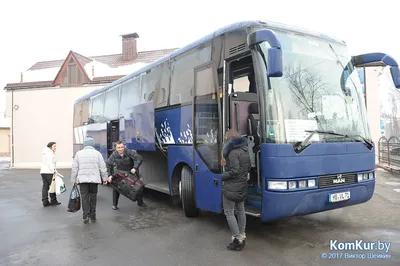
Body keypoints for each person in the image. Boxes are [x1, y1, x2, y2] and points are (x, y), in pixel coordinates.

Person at [221, 129, 251, 251]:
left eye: (225, 138)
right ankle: (242, 236)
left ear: (229, 139)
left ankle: (237, 239)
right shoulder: (245, 150)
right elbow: (247, 167)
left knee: (229, 213)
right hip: (242, 185)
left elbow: (234, 171)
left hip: (231, 187)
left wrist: (220, 176)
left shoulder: (232, 153)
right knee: (241, 211)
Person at [71, 137, 108, 224]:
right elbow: (102, 167)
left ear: (84, 144)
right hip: (94, 180)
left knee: (84, 198)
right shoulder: (97, 154)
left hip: (82, 180)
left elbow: (74, 168)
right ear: (93, 144)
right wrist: (105, 178)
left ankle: (86, 216)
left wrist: (73, 180)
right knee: (93, 197)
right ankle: (93, 215)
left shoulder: (78, 154)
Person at [106, 141, 146, 209]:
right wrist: (109, 175)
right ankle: (114, 205)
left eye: (122, 147)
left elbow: (139, 158)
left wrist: (135, 168)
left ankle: (140, 202)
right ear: (116, 148)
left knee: (138, 186)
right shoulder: (114, 155)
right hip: (119, 173)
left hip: (130, 172)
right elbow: (108, 165)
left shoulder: (128, 152)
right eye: (119, 148)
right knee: (116, 188)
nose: (121, 149)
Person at [40, 141, 61, 207]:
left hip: (43, 172)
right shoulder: (49, 153)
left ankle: (45, 201)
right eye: (54, 146)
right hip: (49, 172)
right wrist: (53, 170)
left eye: (55, 146)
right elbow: (50, 163)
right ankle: (53, 200)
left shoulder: (45, 152)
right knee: (52, 186)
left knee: (45, 187)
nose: (55, 148)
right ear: (50, 147)